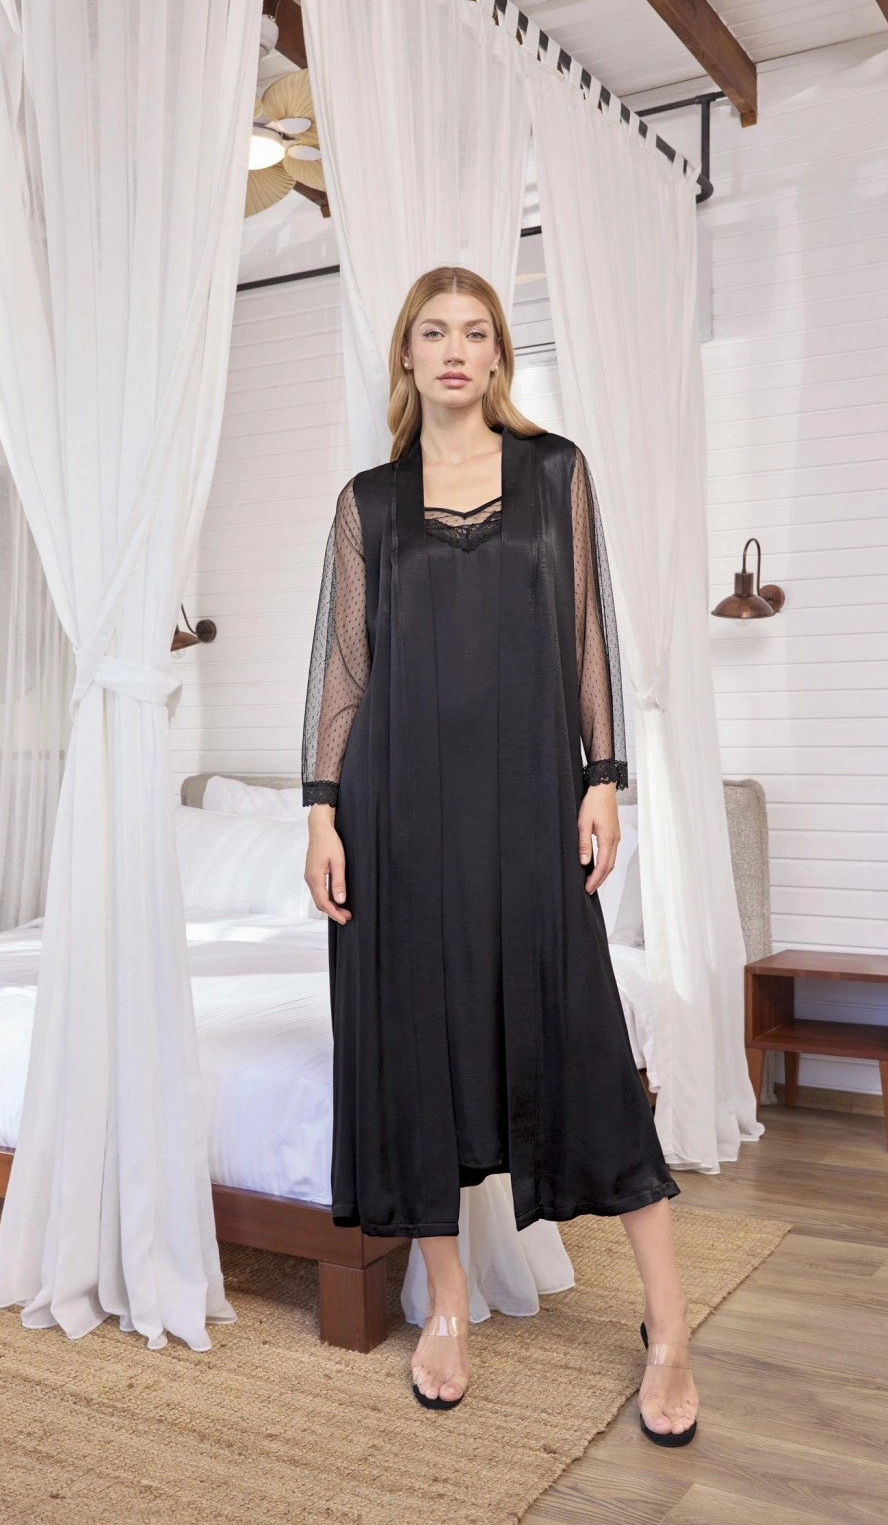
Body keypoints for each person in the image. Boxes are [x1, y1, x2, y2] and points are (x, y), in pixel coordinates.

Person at [301, 265, 699, 1443]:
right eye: (433, 331)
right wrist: (320, 813)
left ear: (497, 355)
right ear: (406, 353)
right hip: (394, 815)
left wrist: (602, 775)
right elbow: (345, 673)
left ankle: (670, 1323)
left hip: (529, 801)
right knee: (413, 1043)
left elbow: (585, 633)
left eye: (475, 332)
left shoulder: (554, 472)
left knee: (584, 1040)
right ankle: (447, 1302)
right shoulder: (368, 502)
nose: (454, 349)